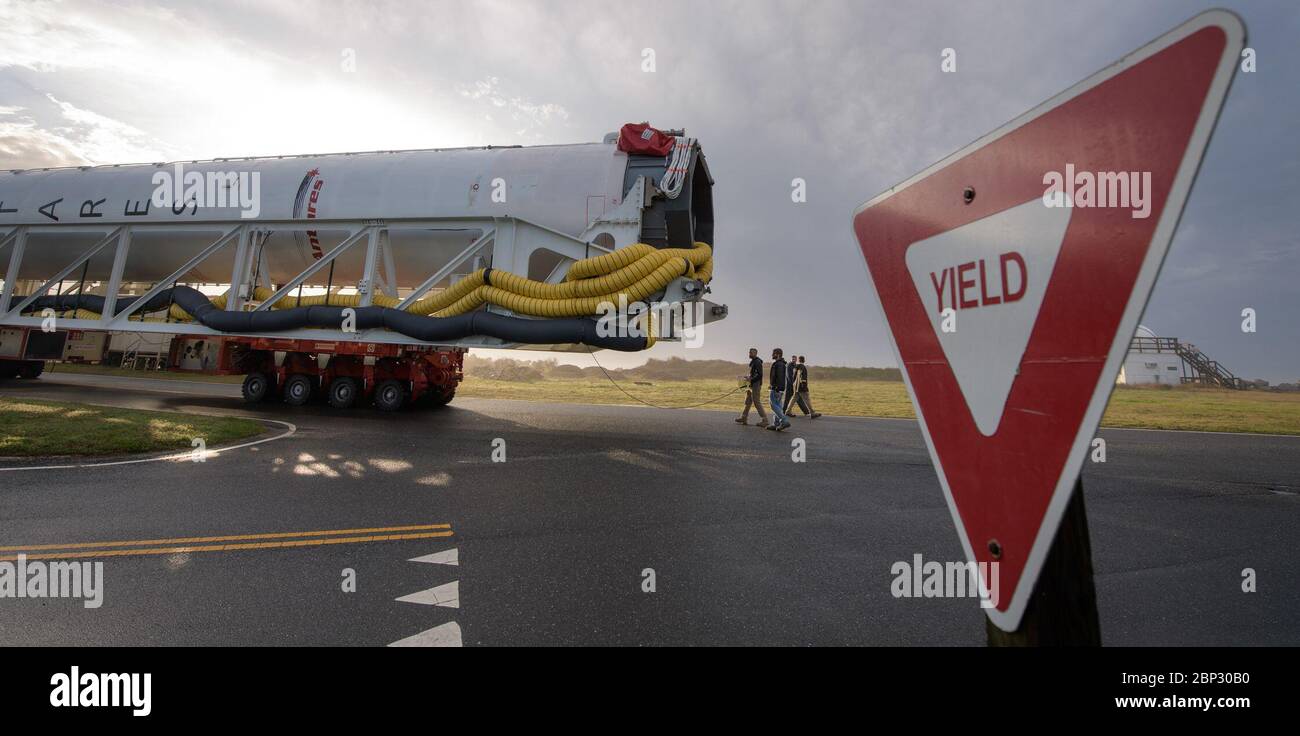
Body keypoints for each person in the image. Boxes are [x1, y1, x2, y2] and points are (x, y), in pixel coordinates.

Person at [735, 347, 768, 427]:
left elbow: (759, 375)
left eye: (751, 353)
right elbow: (753, 373)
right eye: (749, 353)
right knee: (748, 401)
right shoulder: (753, 362)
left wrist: (751, 379)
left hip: (756, 384)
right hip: (751, 384)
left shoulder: (757, 362)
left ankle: (765, 420)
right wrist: (748, 377)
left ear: (755, 353)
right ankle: (744, 417)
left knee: (756, 402)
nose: (749, 354)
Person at [766, 348, 791, 431]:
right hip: (779, 388)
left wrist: (775, 387)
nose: (772, 355)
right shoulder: (781, 364)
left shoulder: (779, 364)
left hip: (776, 389)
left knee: (773, 405)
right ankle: (776, 423)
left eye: (773, 353)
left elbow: (780, 377)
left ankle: (784, 421)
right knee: (778, 407)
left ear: (778, 354)